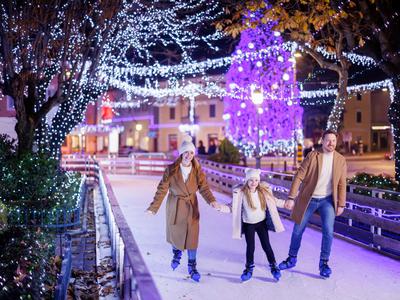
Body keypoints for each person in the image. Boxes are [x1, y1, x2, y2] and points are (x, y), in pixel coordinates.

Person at [146, 135, 223, 282]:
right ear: (181, 153)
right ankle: (176, 253)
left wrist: (212, 201)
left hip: (191, 206)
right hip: (176, 205)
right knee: (177, 234)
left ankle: (192, 266)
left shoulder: (197, 170)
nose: (189, 155)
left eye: (192, 153)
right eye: (186, 152)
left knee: (192, 236)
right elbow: (162, 189)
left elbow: (204, 188)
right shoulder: (171, 170)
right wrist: (153, 208)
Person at [279, 129, 347, 278]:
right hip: (309, 199)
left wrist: (341, 204)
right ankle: (291, 258)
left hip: (327, 200)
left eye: (334, 140)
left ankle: (324, 264)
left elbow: (342, 184)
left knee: (328, 231)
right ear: (322, 141)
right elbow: (299, 177)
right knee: (298, 229)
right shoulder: (313, 156)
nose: (331, 143)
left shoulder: (340, 160)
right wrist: (291, 197)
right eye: (328, 140)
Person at [221, 168, 287, 282]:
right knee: (250, 247)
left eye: (256, 180)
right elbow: (231, 207)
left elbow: (274, 201)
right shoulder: (241, 193)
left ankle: (273, 266)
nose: (254, 183)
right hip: (249, 224)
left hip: (261, 223)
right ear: (247, 181)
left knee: (267, 246)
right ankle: (249, 268)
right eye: (251, 180)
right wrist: (220, 208)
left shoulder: (263, 191)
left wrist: (286, 204)